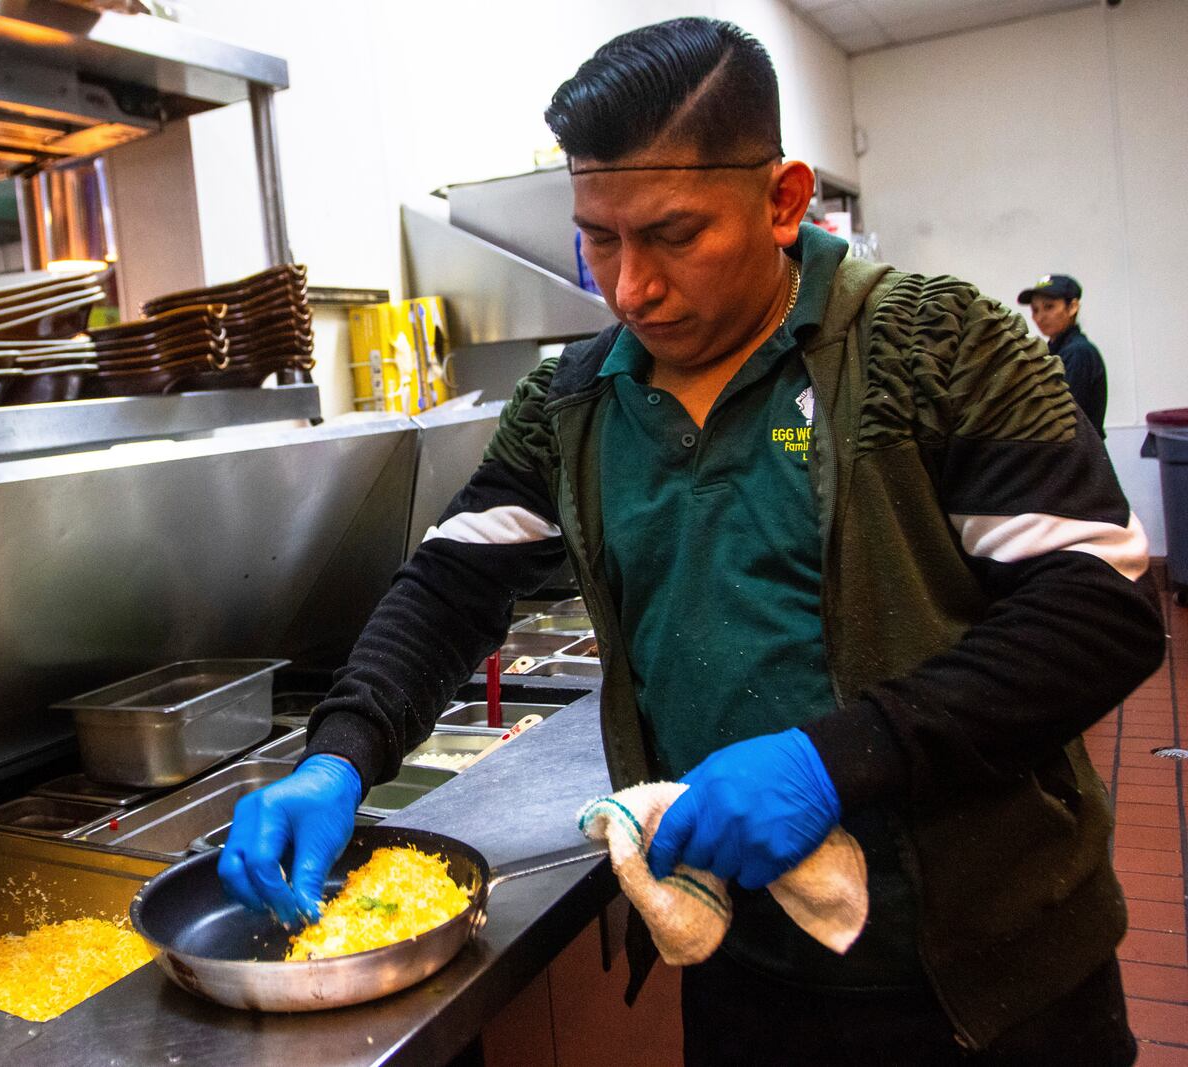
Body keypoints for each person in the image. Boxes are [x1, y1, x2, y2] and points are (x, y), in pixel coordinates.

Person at [220, 17, 1162, 1065]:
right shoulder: (576, 399)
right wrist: (340, 756)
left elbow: (1098, 608)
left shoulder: (935, 345)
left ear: (782, 199)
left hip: (989, 975)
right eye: (599, 236)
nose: (629, 287)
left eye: (672, 235)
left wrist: (832, 760)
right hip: (740, 964)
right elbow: (450, 585)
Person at [1018, 273, 1107, 437]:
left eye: (1049, 307)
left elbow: (1061, 415)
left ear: (1072, 307)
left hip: (1078, 456)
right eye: (1035, 310)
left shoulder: (1078, 352)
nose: (1040, 317)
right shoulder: (1052, 352)